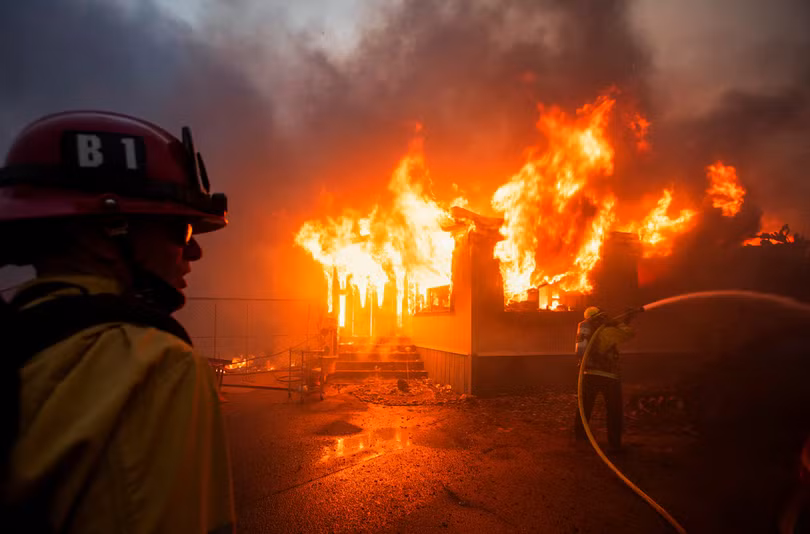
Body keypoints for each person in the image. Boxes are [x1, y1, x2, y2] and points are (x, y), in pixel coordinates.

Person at [0, 111, 234, 533]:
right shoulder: (155, 366)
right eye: (179, 231)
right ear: (112, 228)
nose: (194, 253)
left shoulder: (21, 340)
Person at [574, 305, 641, 451]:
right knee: (614, 410)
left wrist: (626, 319)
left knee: (584, 407)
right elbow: (629, 333)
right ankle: (614, 443)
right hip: (608, 376)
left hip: (588, 375)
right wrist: (619, 322)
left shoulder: (585, 332)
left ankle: (579, 436)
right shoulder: (608, 332)